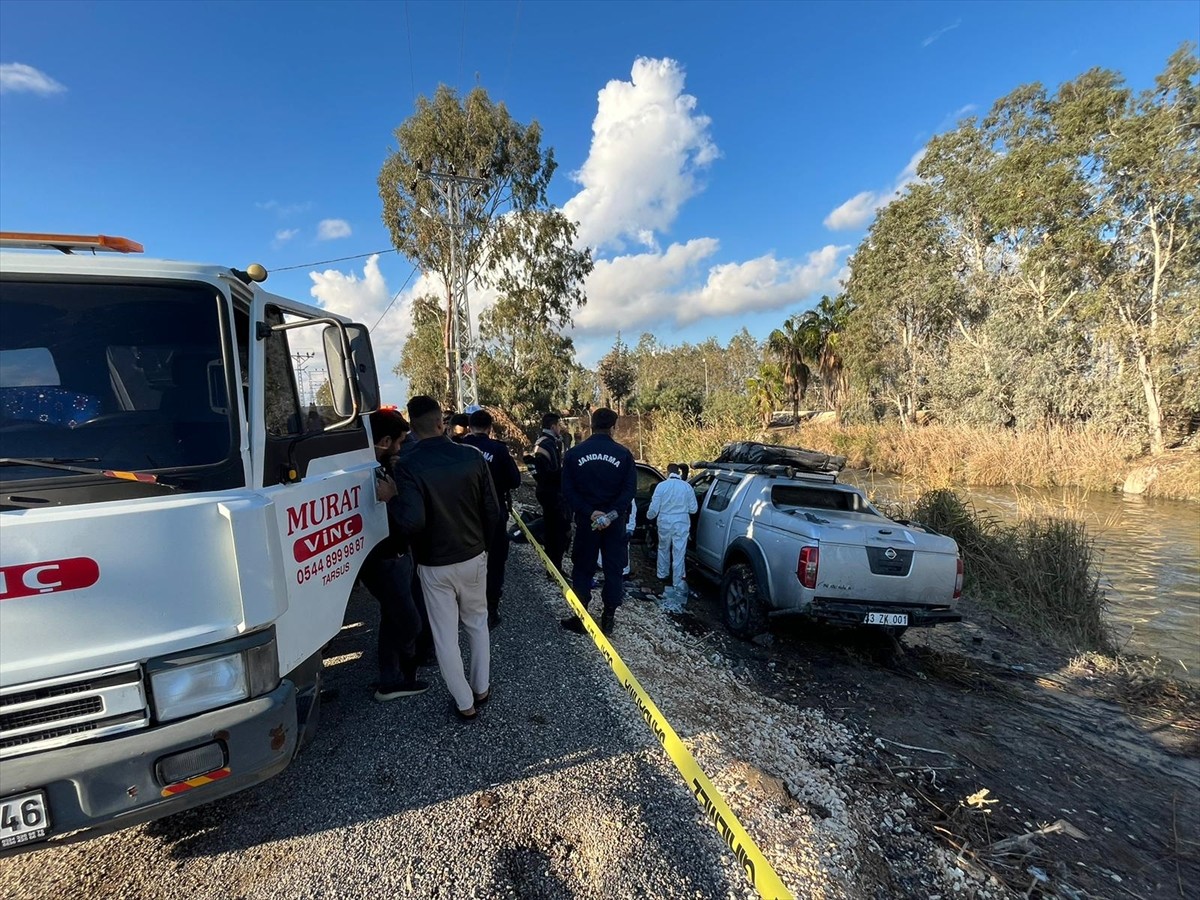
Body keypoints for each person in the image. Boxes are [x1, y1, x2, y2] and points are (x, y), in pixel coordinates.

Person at [378, 395, 503, 722]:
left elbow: (412, 521)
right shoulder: (472, 457)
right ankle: (482, 688)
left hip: (434, 565)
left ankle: (464, 703)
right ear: (440, 422)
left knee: (445, 636)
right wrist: (484, 548)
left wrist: (391, 499)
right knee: (477, 624)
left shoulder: (407, 464)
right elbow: (493, 510)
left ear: (414, 428)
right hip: (473, 555)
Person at [363, 410, 428, 700]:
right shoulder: (374, 476)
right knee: (408, 621)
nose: (401, 448)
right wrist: (396, 496)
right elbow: (396, 517)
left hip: (389, 556)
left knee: (391, 615)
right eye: (399, 442)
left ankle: (390, 676)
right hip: (388, 557)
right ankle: (402, 669)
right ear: (385, 440)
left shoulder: (376, 465)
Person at [561, 408, 636, 636]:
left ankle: (580, 618)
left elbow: (567, 490)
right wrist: (610, 514)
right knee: (613, 569)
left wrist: (589, 512)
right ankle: (609, 617)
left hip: (587, 522)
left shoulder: (574, 454)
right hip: (614, 524)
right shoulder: (623, 454)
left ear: (591, 425)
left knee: (583, 568)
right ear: (613, 427)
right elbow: (629, 491)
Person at [461, 408, 522, 628]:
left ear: (469, 427)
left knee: (464, 560)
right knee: (495, 562)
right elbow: (515, 481)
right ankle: (491, 609)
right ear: (489, 428)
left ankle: (465, 606)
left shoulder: (457, 447)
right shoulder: (499, 450)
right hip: (494, 514)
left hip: (463, 515)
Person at [646, 463, 699, 611]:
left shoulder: (661, 486)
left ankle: (662, 574)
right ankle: (677, 581)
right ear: (679, 472)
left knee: (663, 548)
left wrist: (648, 516)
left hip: (664, 522)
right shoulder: (687, 487)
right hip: (681, 523)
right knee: (679, 552)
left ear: (668, 472)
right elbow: (693, 509)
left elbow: (654, 508)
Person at [532, 412, 570, 579]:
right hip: (552, 494)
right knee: (557, 532)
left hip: (546, 491)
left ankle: (553, 568)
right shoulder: (548, 444)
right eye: (559, 425)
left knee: (553, 531)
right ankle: (555, 569)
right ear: (554, 426)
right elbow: (553, 471)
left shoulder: (543, 442)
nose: (561, 429)